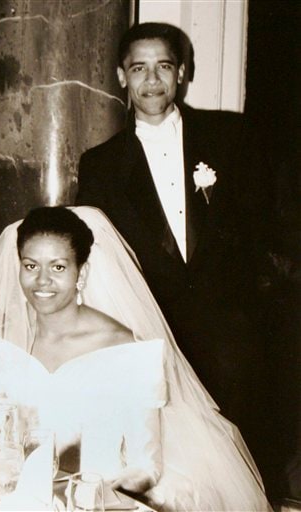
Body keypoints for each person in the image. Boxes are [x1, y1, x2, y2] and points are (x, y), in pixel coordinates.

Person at [0, 206, 271, 511]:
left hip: (101, 501)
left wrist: (81, 499)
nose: (42, 281)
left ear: (81, 273)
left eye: (58, 267)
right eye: (30, 266)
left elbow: (146, 467)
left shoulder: (125, 350)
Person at [76, 22, 269, 440]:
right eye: (139, 68)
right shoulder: (100, 165)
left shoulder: (230, 137)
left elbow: (265, 225)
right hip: (151, 337)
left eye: (163, 66)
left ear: (181, 73)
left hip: (232, 335)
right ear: (121, 76)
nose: (151, 80)